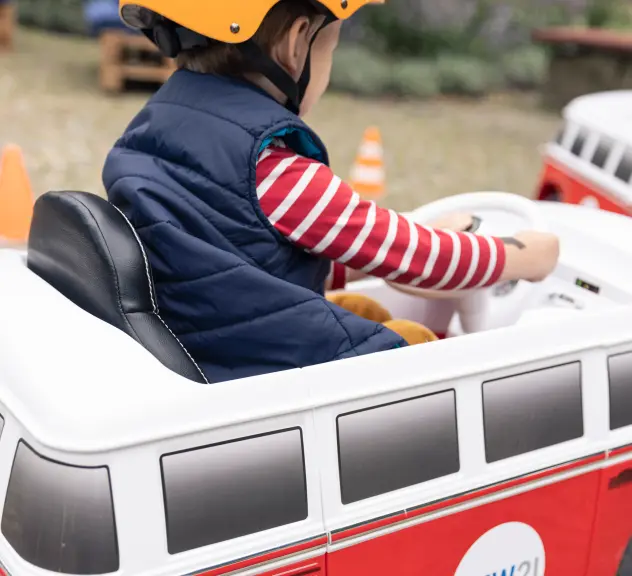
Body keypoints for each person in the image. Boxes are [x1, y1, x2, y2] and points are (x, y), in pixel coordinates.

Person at [103, 0, 560, 383]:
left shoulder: (157, 130)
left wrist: (408, 241)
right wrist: (520, 257)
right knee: (418, 347)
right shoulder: (272, 168)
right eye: (332, 46)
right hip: (254, 372)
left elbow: (238, 251)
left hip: (206, 341)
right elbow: (420, 261)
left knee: (361, 307)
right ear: (295, 42)